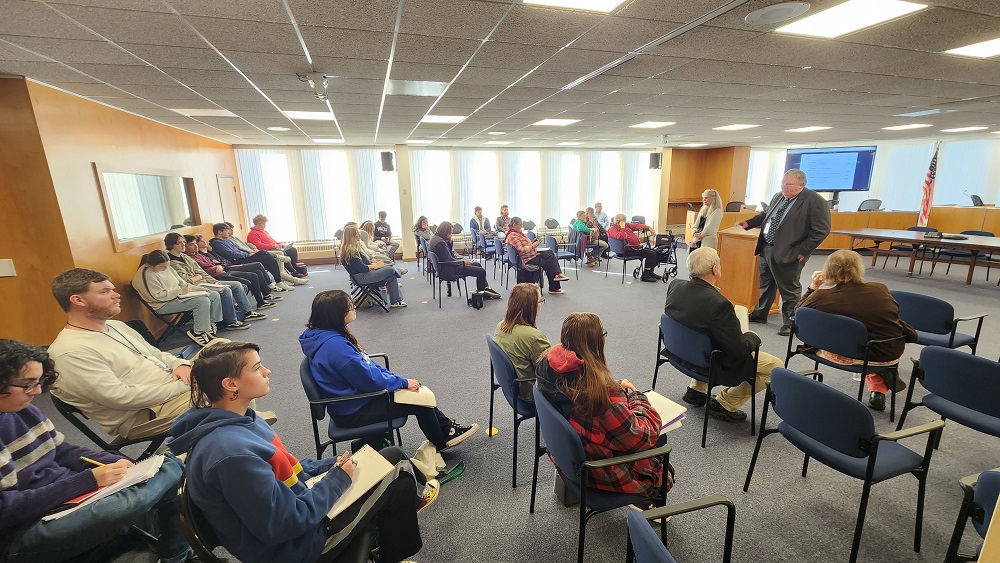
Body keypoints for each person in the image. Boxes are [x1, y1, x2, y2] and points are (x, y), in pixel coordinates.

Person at [169, 341, 429, 563]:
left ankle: (395, 513)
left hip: (300, 508)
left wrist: (331, 465)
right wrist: (338, 479)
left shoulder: (243, 418)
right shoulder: (231, 455)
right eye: (258, 368)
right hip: (298, 547)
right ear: (230, 384)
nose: (267, 371)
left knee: (390, 456)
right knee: (400, 482)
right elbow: (283, 524)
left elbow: (287, 467)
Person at [0, 339, 193, 563]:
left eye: (38, 382)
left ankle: (176, 556)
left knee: (167, 470)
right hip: (21, 530)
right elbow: (7, 510)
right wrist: (87, 481)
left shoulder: (23, 409)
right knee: (127, 503)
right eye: (27, 384)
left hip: (68, 500)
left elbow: (62, 450)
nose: (38, 391)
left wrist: (114, 461)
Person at [300, 290, 480, 452]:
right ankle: (442, 438)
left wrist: (397, 380)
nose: (354, 307)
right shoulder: (336, 347)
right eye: (349, 307)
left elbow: (366, 365)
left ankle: (444, 430)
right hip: (353, 410)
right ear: (336, 315)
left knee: (414, 390)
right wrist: (401, 382)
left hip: (348, 402)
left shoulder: (322, 336)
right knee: (419, 398)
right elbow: (368, 380)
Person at [47, 268, 195, 439]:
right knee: (228, 392)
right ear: (78, 300)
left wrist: (180, 364)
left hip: (172, 385)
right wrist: (187, 384)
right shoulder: (69, 352)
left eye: (112, 289)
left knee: (224, 349)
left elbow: (155, 353)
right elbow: (122, 398)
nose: (116, 295)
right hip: (148, 413)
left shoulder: (116, 326)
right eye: (105, 291)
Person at [535, 312, 665, 497]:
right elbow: (642, 436)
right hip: (596, 468)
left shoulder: (546, 365)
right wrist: (637, 396)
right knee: (660, 443)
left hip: (567, 456)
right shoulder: (602, 394)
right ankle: (648, 502)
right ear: (597, 342)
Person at [663, 247, 785, 422]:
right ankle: (724, 403)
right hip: (708, 361)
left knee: (703, 331)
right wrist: (753, 337)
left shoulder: (675, 286)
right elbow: (738, 349)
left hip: (681, 353)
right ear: (715, 269)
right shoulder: (719, 304)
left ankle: (696, 390)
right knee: (775, 366)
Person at [795, 250, 917, 411]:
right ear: (858, 268)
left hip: (842, 353)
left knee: (858, 336)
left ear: (828, 271)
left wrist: (814, 287)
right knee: (878, 332)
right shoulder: (879, 289)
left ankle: (877, 385)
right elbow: (894, 315)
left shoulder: (821, 297)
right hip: (886, 353)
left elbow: (797, 313)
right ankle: (878, 388)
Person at [737, 168, 831, 336]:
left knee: (788, 288)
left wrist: (804, 250)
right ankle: (760, 313)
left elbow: (821, 230)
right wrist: (749, 223)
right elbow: (766, 215)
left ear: (801, 185)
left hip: (791, 252)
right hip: (767, 248)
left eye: (789, 184)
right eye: (782, 183)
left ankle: (790, 322)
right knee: (766, 284)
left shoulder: (814, 201)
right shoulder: (778, 196)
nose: (784, 187)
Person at [164, 232, 261, 328]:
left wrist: (213, 281)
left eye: (183, 242)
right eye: (179, 243)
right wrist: (198, 277)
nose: (183, 244)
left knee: (236, 284)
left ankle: (247, 312)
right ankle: (231, 321)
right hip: (193, 288)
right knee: (225, 290)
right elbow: (185, 281)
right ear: (171, 245)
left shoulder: (185, 257)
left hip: (204, 282)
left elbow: (201, 272)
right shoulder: (170, 262)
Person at [132, 250, 224, 345]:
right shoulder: (146, 274)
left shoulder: (167, 268)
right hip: (162, 304)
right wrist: (179, 291)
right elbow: (157, 297)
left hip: (178, 297)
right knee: (202, 301)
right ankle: (198, 332)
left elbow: (183, 283)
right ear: (151, 265)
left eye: (167, 266)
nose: (165, 269)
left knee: (213, 294)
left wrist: (200, 289)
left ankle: (211, 323)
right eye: (162, 267)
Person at [186, 235, 277, 310]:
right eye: (191, 244)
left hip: (225, 269)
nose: (195, 246)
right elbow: (203, 271)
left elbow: (218, 262)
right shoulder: (191, 258)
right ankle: (253, 304)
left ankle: (262, 299)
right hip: (217, 274)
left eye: (195, 244)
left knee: (256, 271)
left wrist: (220, 265)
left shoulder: (201, 254)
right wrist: (217, 267)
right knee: (255, 270)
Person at [493, 283, 550, 401]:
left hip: (512, 388)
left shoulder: (501, 325)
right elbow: (549, 373)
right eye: (540, 302)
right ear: (532, 306)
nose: (541, 305)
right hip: (531, 394)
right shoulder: (534, 337)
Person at [210, 223, 292, 291]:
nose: (229, 232)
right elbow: (231, 254)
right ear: (220, 232)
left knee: (269, 259)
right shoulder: (217, 243)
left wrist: (250, 252)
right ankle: (278, 278)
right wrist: (248, 254)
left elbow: (239, 249)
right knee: (264, 253)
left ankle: (276, 281)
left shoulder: (226, 241)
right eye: (226, 230)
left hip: (243, 257)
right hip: (237, 261)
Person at [429, 222, 500, 299]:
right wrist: (463, 262)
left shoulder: (435, 238)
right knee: (481, 271)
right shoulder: (440, 243)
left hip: (445, 267)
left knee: (477, 265)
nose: (451, 234)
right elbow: (449, 259)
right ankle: (484, 292)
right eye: (451, 232)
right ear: (446, 231)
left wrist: (449, 242)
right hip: (449, 270)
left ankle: (484, 290)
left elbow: (447, 256)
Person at [341, 225, 407, 308]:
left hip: (363, 274)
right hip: (362, 277)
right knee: (390, 270)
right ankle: (398, 271)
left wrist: (375, 264)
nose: (359, 235)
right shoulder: (351, 251)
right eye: (357, 233)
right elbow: (363, 268)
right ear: (352, 236)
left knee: (391, 276)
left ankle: (396, 301)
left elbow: (365, 262)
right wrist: (376, 266)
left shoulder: (353, 248)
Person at [505, 216, 570, 295]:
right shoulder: (513, 235)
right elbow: (521, 250)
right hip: (527, 259)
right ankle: (554, 286)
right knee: (550, 264)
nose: (521, 227)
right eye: (520, 225)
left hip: (531, 254)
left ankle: (557, 276)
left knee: (549, 253)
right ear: (514, 225)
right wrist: (533, 245)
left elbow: (524, 246)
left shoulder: (517, 233)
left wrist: (533, 244)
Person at [246, 214, 309, 279]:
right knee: (283, 253)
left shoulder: (264, 232)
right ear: (258, 223)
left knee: (292, 250)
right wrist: (274, 245)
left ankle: (295, 268)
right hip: (266, 251)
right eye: (263, 224)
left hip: (273, 248)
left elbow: (272, 241)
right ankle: (292, 271)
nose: (265, 226)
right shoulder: (253, 234)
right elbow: (259, 246)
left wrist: (280, 244)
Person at [608, 213, 661, 282]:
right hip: (625, 251)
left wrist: (648, 228)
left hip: (633, 248)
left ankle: (650, 272)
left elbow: (636, 226)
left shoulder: (626, 225)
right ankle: (645, 275)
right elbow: (621, 237)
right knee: (651, 253)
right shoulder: (612, 229)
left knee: (655, 251)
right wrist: (622, 228)